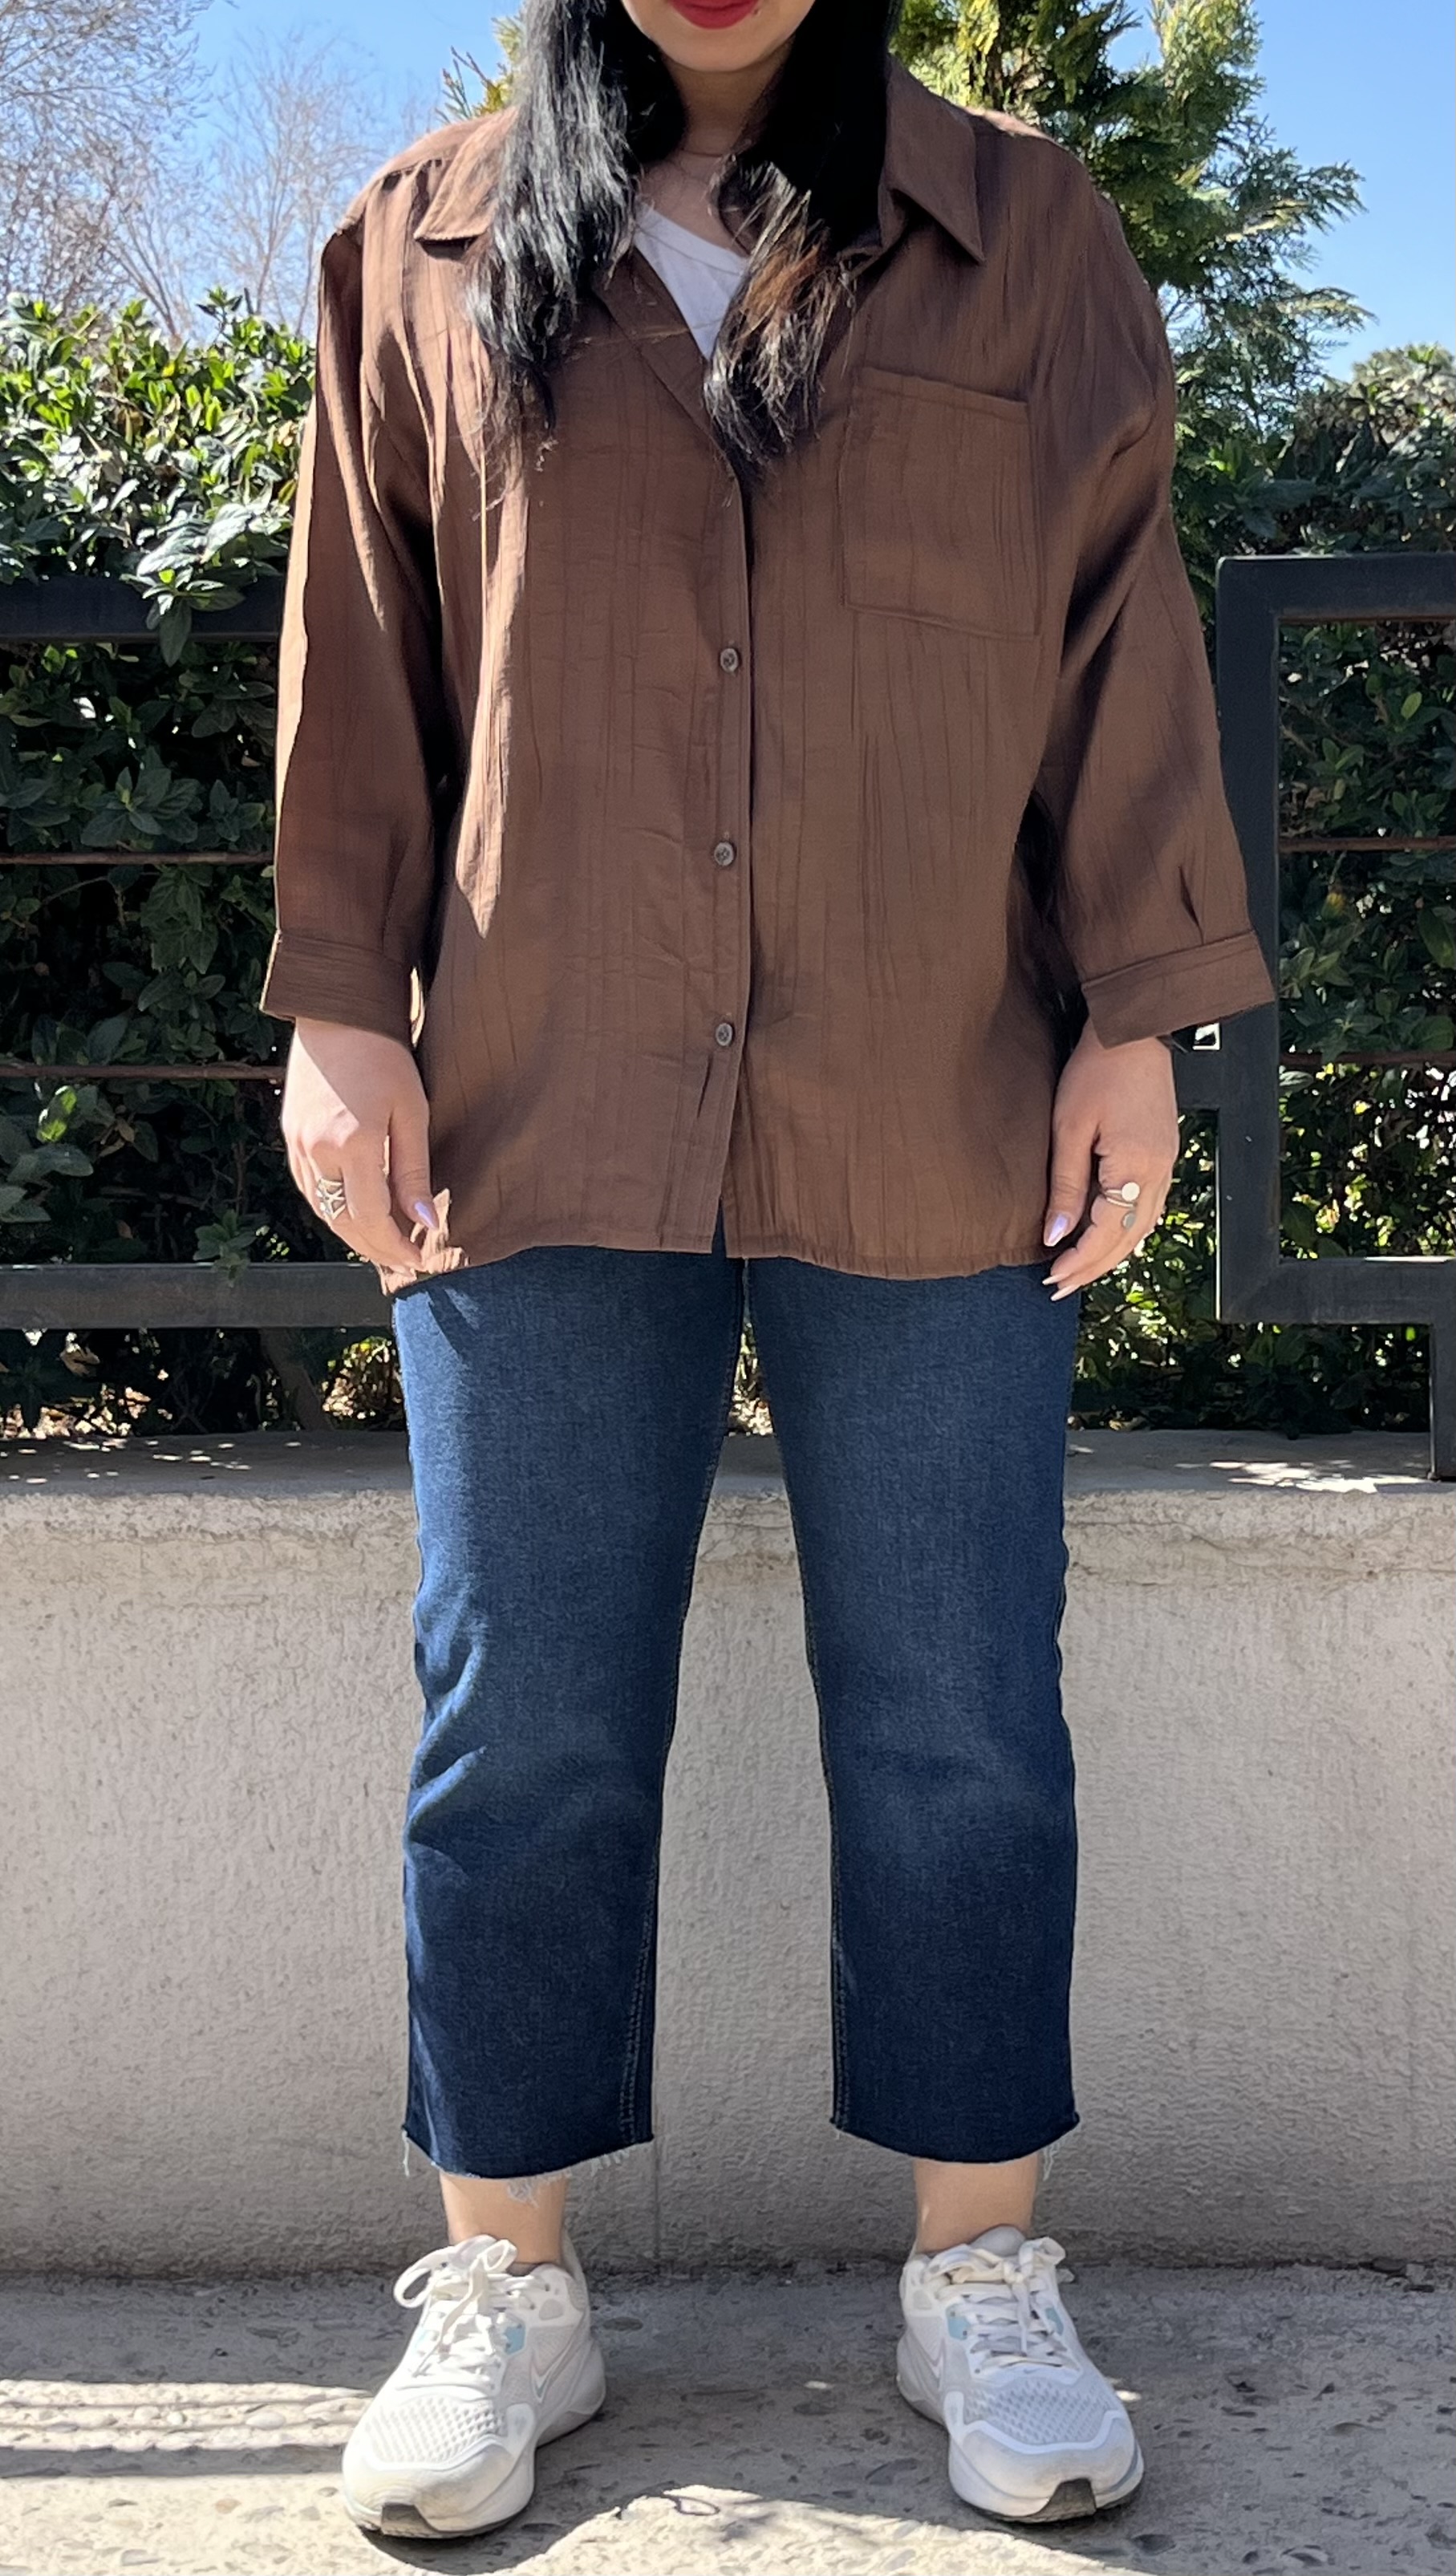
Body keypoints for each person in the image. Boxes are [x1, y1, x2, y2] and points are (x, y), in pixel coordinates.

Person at [264, 0, 1276, 2542]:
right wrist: (336, 1011)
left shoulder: (1027, 233)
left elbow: (1119, 633)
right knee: (516, 1714)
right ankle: (506, 2278)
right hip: (537, 1091)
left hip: (934, 1083)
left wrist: (1138, 1017)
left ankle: (978, 2267)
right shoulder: (417, 246)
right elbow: (361, 644)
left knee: (961, 1708)